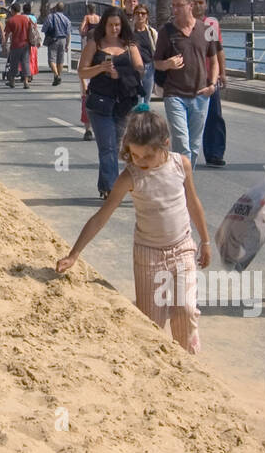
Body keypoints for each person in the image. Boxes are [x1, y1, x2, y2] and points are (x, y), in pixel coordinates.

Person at [57, 110, 211, 354]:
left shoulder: (181, 164)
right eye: (134, 154)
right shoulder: (130, 176)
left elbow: (193, 203)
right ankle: (155, 361)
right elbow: (101, 217)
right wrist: (74, 254)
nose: (140, 161)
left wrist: (205, 240)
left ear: (165, 144)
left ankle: (186, 361)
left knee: (186, 309)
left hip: (182, 248)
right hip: (148, 254)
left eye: (147, 155)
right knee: (151, 322)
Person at [77, 8, 143, 199]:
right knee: (107, 147)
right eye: (110, 25)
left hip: (123, 103)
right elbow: (82, 72)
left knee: (115, 145)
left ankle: (105, 184)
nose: (114, 29)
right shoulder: (94, 44)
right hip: (99, 103)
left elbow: (140, 70)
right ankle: (111, 189)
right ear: (104, 25)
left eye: (117, 25)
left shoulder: (130, 46)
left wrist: (120, 73)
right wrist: (100, 68)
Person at [154, 0, 219, 167]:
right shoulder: (166, 31)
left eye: (179, 5)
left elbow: (214, 61)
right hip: (175, 94)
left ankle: (182, 183)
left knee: (194, 145)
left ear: (190, 5)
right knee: (182, 143)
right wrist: (168, 64)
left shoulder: (207, 29)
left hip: (200, 94)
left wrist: (212, 85)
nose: (174, 10)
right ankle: (183, 187)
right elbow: (157, 62)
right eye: (173, 5)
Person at [193, 0, 227, 167]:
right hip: (190, 79)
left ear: (205, 5)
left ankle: (214, 153)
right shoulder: (184, 25)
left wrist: (222, 73)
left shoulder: (211, 24)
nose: (198, 6)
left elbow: (218, 49)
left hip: (209, 77)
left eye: (201, 2)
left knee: (214, 116)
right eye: (195, 2)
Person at [78, 3, 102, 140]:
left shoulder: (87, 17)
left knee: (86, 107)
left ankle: (88, 130)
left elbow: (82, 29)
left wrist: (83, 32)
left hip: (90, 38)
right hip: (96, 38)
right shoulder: (98, 18)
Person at [130, 4, 157, 101]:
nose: (140, 16)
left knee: (146, 99)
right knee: (137, 99)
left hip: (149, 68)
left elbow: (155, 49)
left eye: (143, 13)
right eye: (137, 13)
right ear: (134, 15)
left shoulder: (152, 32)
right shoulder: (129, 32)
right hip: (134, 69)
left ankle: (144, 116)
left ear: (147, 15)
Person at [4, 3, 32, 89]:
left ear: (12, 10)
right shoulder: (26, 19)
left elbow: (7, 34)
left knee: (14, 63)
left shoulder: (10, 20)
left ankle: (12, 81)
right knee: (25, 62)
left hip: (15, 44)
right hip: (26, 44)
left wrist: (4, 43)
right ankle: (26, 82)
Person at [43, 1, 71, 85]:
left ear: (55, 8)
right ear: (63, 9)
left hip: (53, 39)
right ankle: (58, 76)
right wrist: (67, 44)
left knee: (51, 59)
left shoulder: (50, 17)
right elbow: (68, 33)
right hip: (63, 40)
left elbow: (44, 28)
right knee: (60, 60)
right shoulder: (67, 19)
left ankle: (56, 75)